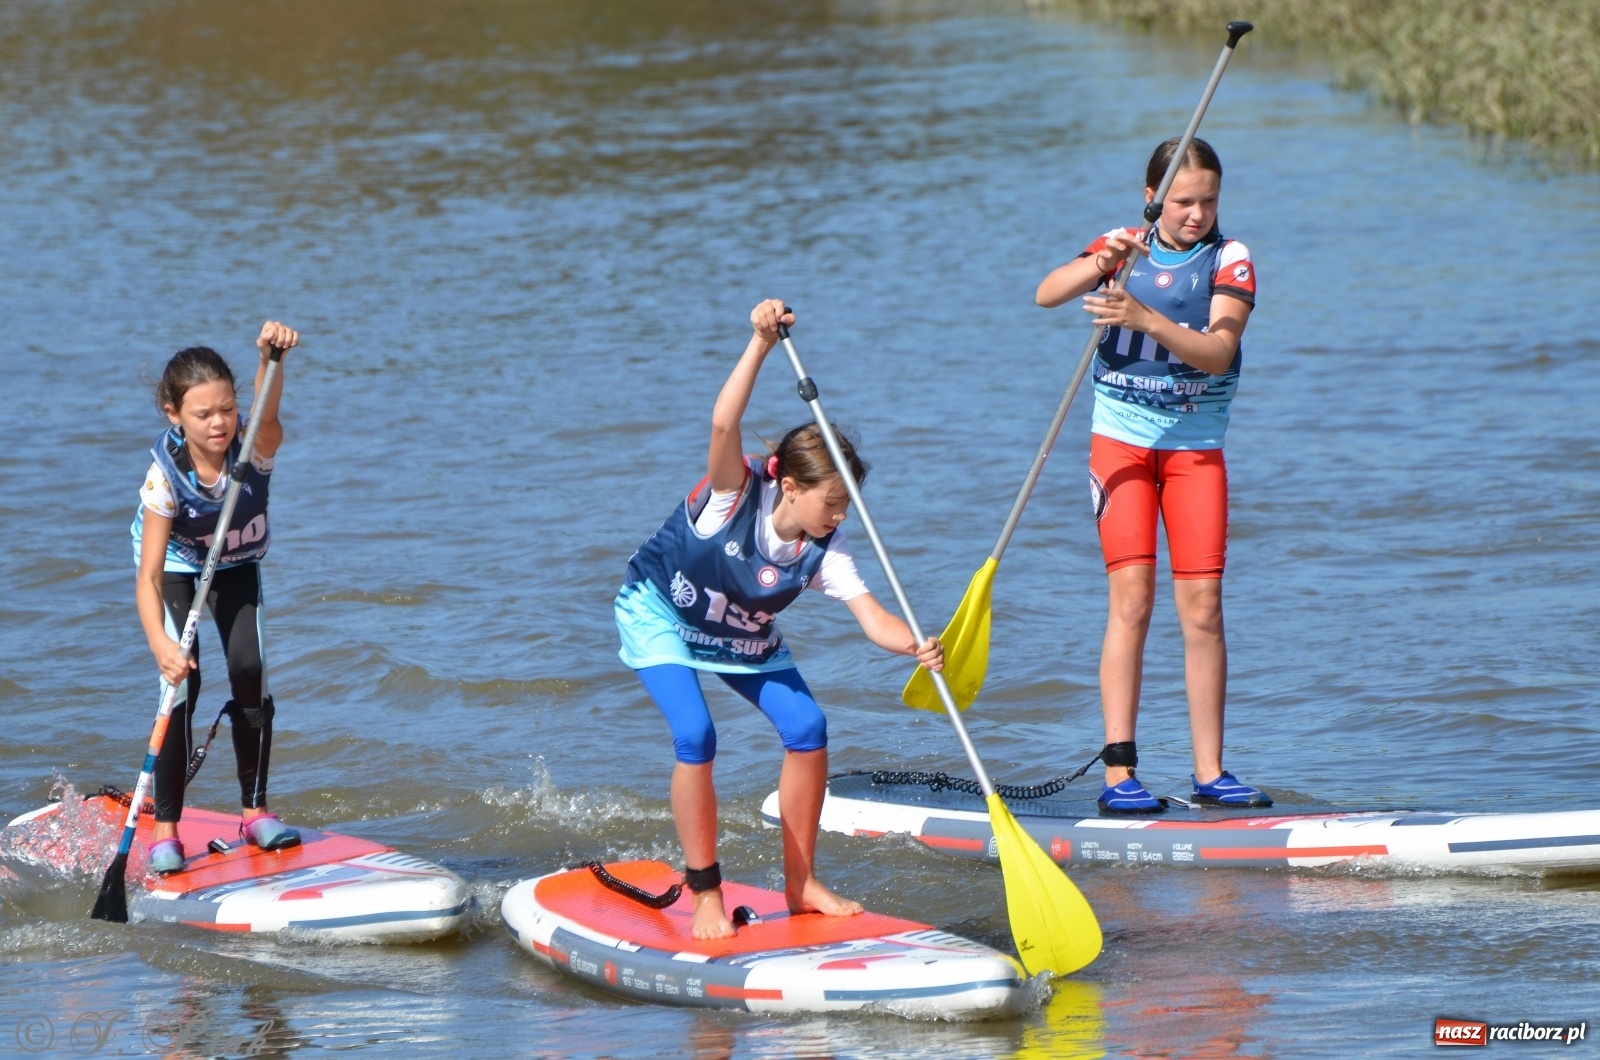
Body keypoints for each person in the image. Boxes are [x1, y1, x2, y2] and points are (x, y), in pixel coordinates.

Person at [615, 300, 943, 939]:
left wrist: (916, 646)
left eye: (848, 506)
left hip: (738, 634)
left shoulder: (825, 550)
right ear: (790, 487)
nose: (840, 517)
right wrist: (760, 344)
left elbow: (872, 617)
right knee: (696, 734)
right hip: (660, 613)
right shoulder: (733, 493)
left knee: (808, 726)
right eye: (833, 503)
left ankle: (802, 883)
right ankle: (704, 892)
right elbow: (723, 422)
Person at [1035, 137, 1271, 815]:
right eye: (1183, 201)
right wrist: (1100, 264)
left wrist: (1144, 317)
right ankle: (1120, 774)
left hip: (1195, 451)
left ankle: (1210, 773)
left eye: (1209, 201)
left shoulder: (1230, 258)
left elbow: (1218, 352)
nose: (1197, 214)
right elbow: (1046, 294)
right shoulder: (1125, 246)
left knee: (1202, 609)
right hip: (1121, 449)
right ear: (1152, 198)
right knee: (1132, 602)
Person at [131, 322, 302, 873]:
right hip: (177, 570)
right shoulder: (164, 478)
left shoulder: (254, 447)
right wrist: (161, 646)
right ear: (173, 414)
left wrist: (269, 359)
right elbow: (148, 577)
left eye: (227, 409)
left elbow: (267, 415)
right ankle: (166, 831)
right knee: (184, 684)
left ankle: (255, 812)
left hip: (236, 564)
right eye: (203, 414)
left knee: (250, 670)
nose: (219, 423)